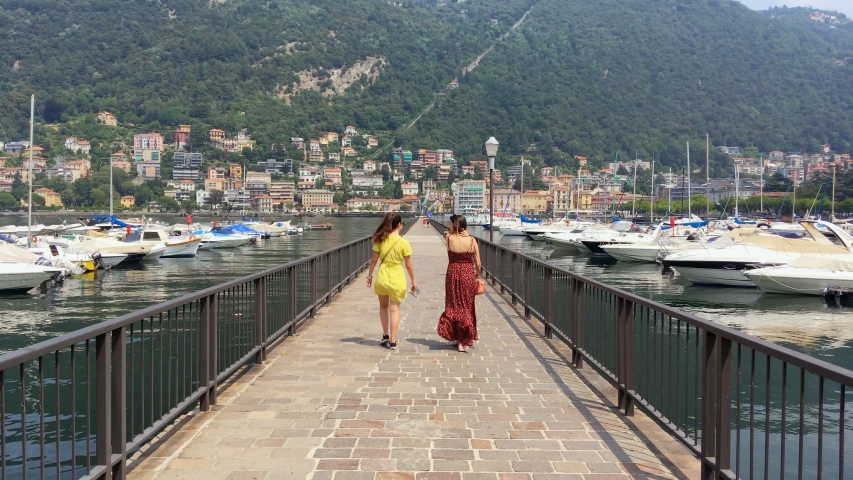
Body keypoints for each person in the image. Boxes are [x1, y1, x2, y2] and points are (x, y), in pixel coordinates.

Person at [366, 213, 417, 351]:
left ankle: (385, 335)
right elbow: (408, 265)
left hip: (382, 275)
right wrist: (413, 282)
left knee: (383, 307)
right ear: (399, 224)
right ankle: (393, 342)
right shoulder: (403, 242)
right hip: (397, 276)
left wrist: (369, 277)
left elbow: (374, 260)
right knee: (394, 310)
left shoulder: (380, 239)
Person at [436, 215, 482, 352]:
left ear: (454, 225)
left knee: (453, 304)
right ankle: (465, 339)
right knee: (467, 305)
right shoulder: (472, 240)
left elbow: (448, 234)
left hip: (452, 272)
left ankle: (457, 337)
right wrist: (478, 275)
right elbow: (478, 262)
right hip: (467, 273)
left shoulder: (449, 238)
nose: (449, 225)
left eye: (450, 223)